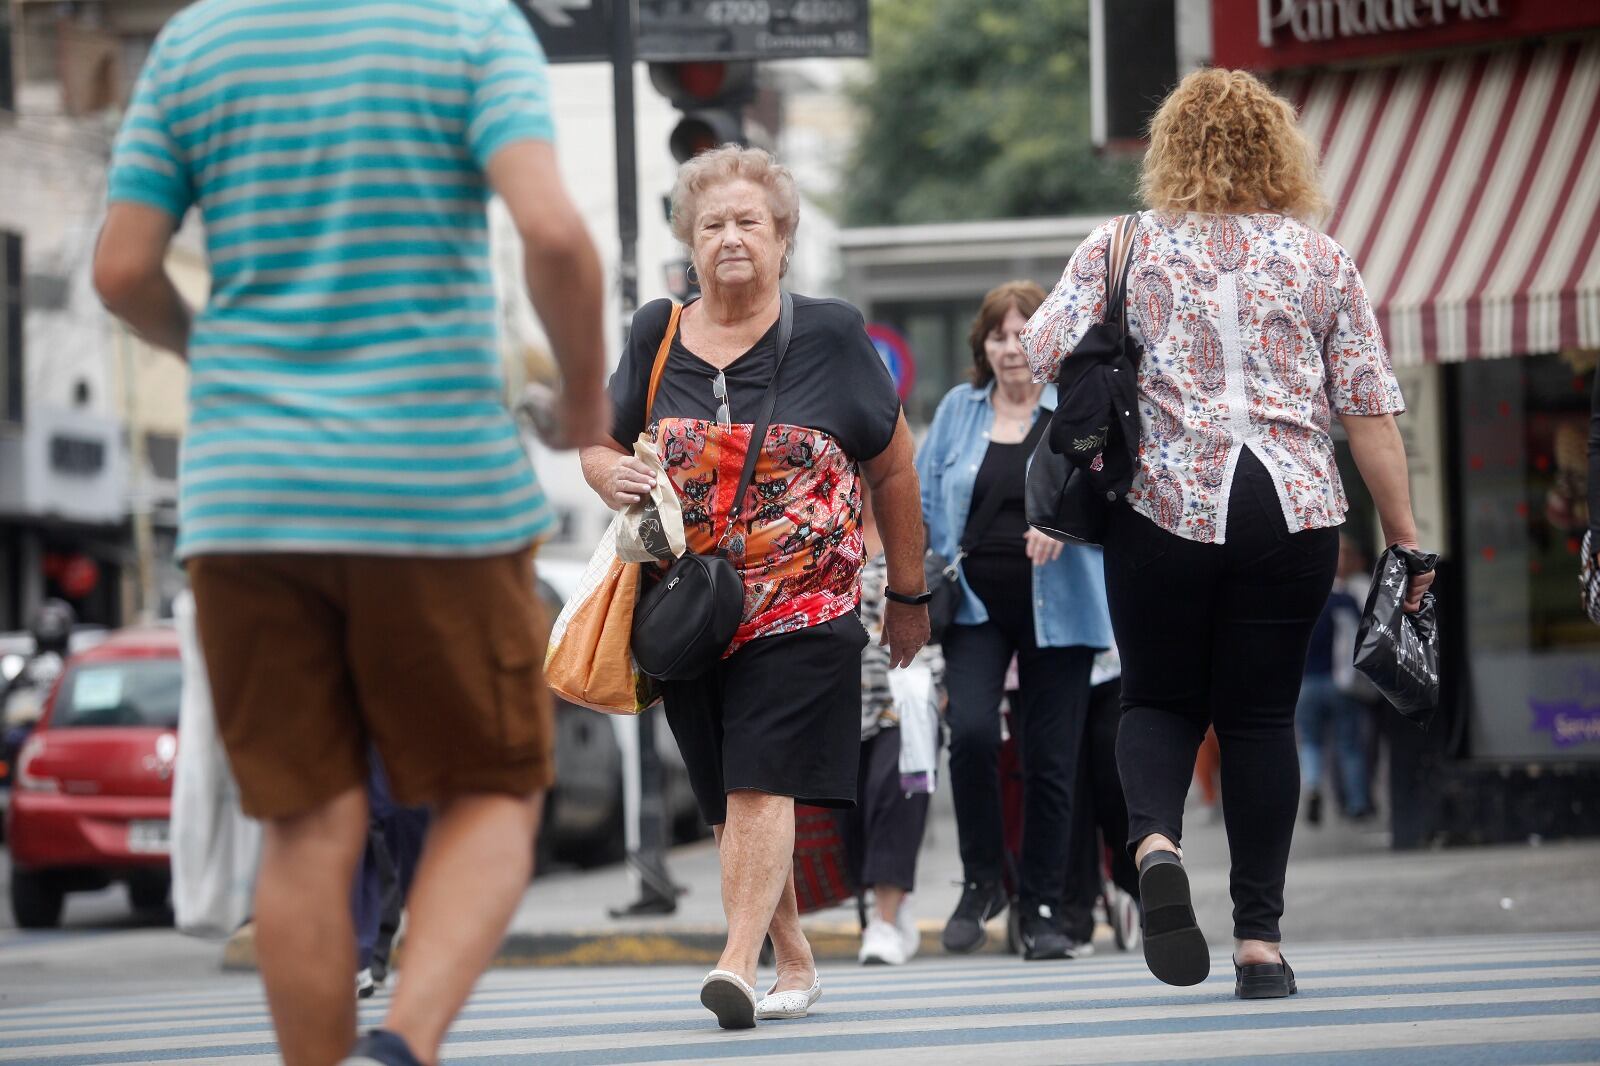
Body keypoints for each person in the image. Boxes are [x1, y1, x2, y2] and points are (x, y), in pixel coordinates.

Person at [94, 3, 609, 1063]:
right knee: (495, 791)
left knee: (305, 825)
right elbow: (553, 233)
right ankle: (403, 1045)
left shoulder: (198, 41)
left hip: (247, 501)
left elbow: (122, 269)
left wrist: (216, 353)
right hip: (436, 491)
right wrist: (586, 411)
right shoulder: (467, 29)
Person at [1022, 68, 1433, 999]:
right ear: (1277, 152)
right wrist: (1405, 541)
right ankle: (1260, 945)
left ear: (1170, 150)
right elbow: (1369, 411)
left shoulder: (1123, 244)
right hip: (1292, 511)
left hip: (1165, 507)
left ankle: (1158, 843)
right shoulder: (1320, 258)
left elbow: (1038, 349)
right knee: (1258, 718)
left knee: (1159, 702)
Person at [579, 145, 928, 1029]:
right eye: (712, 225)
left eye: (749, 223)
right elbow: (600, 441)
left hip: (806, 602)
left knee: (761, 779)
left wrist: (911, 597)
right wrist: (608, 475)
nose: (730, 238)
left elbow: (893, 467)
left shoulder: (833, 334)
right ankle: (795, 955)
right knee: (725, 789)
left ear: (783, 239)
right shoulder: (656, 332)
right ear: (688, 244)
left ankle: (736, 962)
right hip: (689, 604)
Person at [919, 281, 1113, 962]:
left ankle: (1041, 909)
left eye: (1026, 333)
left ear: (1050, 339)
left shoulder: (1078, 409)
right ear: (984, 346)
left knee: (1050, 762)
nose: (1012, 348)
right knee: (970, 735)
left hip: (1062, 608)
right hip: (974, 605)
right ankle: (981, 882)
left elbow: (1115, 488)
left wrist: (1067, 521)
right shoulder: (956, 411)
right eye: (999, 335)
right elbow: (918, 504)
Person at [848, 491, 943, 967]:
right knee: (850, 813)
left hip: (905, 692)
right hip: (836, 699)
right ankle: (886, 909)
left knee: (899, 788)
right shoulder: (823, 515)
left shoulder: (909, 524)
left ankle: (885, 919)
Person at [1060, 648, 1141, 955]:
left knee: (1116, 780)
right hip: (1051, 667)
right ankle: (1074, 907)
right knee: (1068, 792)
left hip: (1113, 662)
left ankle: (1134, 885)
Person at [1297, 536, 1375, 826]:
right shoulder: (1344, 600)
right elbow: (1357, 638)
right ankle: (1356, 803)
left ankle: (1314, 786)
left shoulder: (1303, 598)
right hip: (1338, 682)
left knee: (1312, 744)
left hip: (1305, 684)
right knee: (1350, 745)